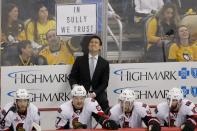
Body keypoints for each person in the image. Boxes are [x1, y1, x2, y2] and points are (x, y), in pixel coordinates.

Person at [69, 35, 110, 112]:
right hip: (80, 94)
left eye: (96, 42)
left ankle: (106, 122)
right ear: (88, 46)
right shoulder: (79, 60)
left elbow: (104, 83)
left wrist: (94, 93)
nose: (93, 44)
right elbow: (72, 77)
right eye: (91, 42)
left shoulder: (105, 63)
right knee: (77, 115)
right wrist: (75, 87)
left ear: (100, 47)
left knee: (105, 108)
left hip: (98, 93)